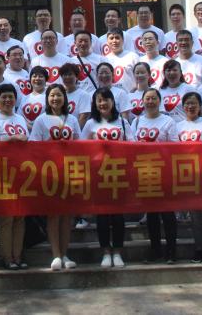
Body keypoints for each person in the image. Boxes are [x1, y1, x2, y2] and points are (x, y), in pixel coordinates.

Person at [29, 84, 80, 270]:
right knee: (53, 214)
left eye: (59, 95)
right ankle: (56, 254)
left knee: (66, 215)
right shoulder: (41, 120)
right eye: (52, 95)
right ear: (47, 98)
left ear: (64, 98)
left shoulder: (72, 119)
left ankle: (65, 254)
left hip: (68, 172)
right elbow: (33, 145)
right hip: (48, 173)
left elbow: (79, 144)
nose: (55, 99)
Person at [81, 87, 132, 268]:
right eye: (99, 100)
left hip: (119, 174)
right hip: (99, 175)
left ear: (112, 101)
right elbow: (81, 147)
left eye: (106, 99)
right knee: (102, 216)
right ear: (95, 104)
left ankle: (117, 251)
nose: (103, 103)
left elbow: (132, 145)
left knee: (118, 216)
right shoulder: (90, 124)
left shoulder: (123, 122)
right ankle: (105, 251)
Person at [0, 83, 29, 269]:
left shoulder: (20, 118)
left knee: (20, 216)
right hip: (2, 173)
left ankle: (18, 256)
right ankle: (7, 257)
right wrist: (10, 139)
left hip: (21, 173)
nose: (8, 100)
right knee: (7, 217)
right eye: (4, 97)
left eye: (11, 97)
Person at [132, 87, 177, 262]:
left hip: (164, 172)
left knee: (168, 213)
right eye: (147, 98)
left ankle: (171, 251)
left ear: (160, 101)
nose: (150, 102)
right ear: (142, 101)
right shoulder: (137, 121)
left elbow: (175, 147)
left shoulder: (168, 121)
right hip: (145, 172)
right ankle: (155, 250)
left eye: (153, 98)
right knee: (151, 215)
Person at [176, 92, 202, 264]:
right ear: (183, 107)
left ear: (200, 106)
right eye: (187, 103)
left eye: (194, 103)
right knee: (195, 216)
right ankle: (199, 249)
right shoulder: (178, 126)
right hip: (188, 176)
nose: (191, 106)